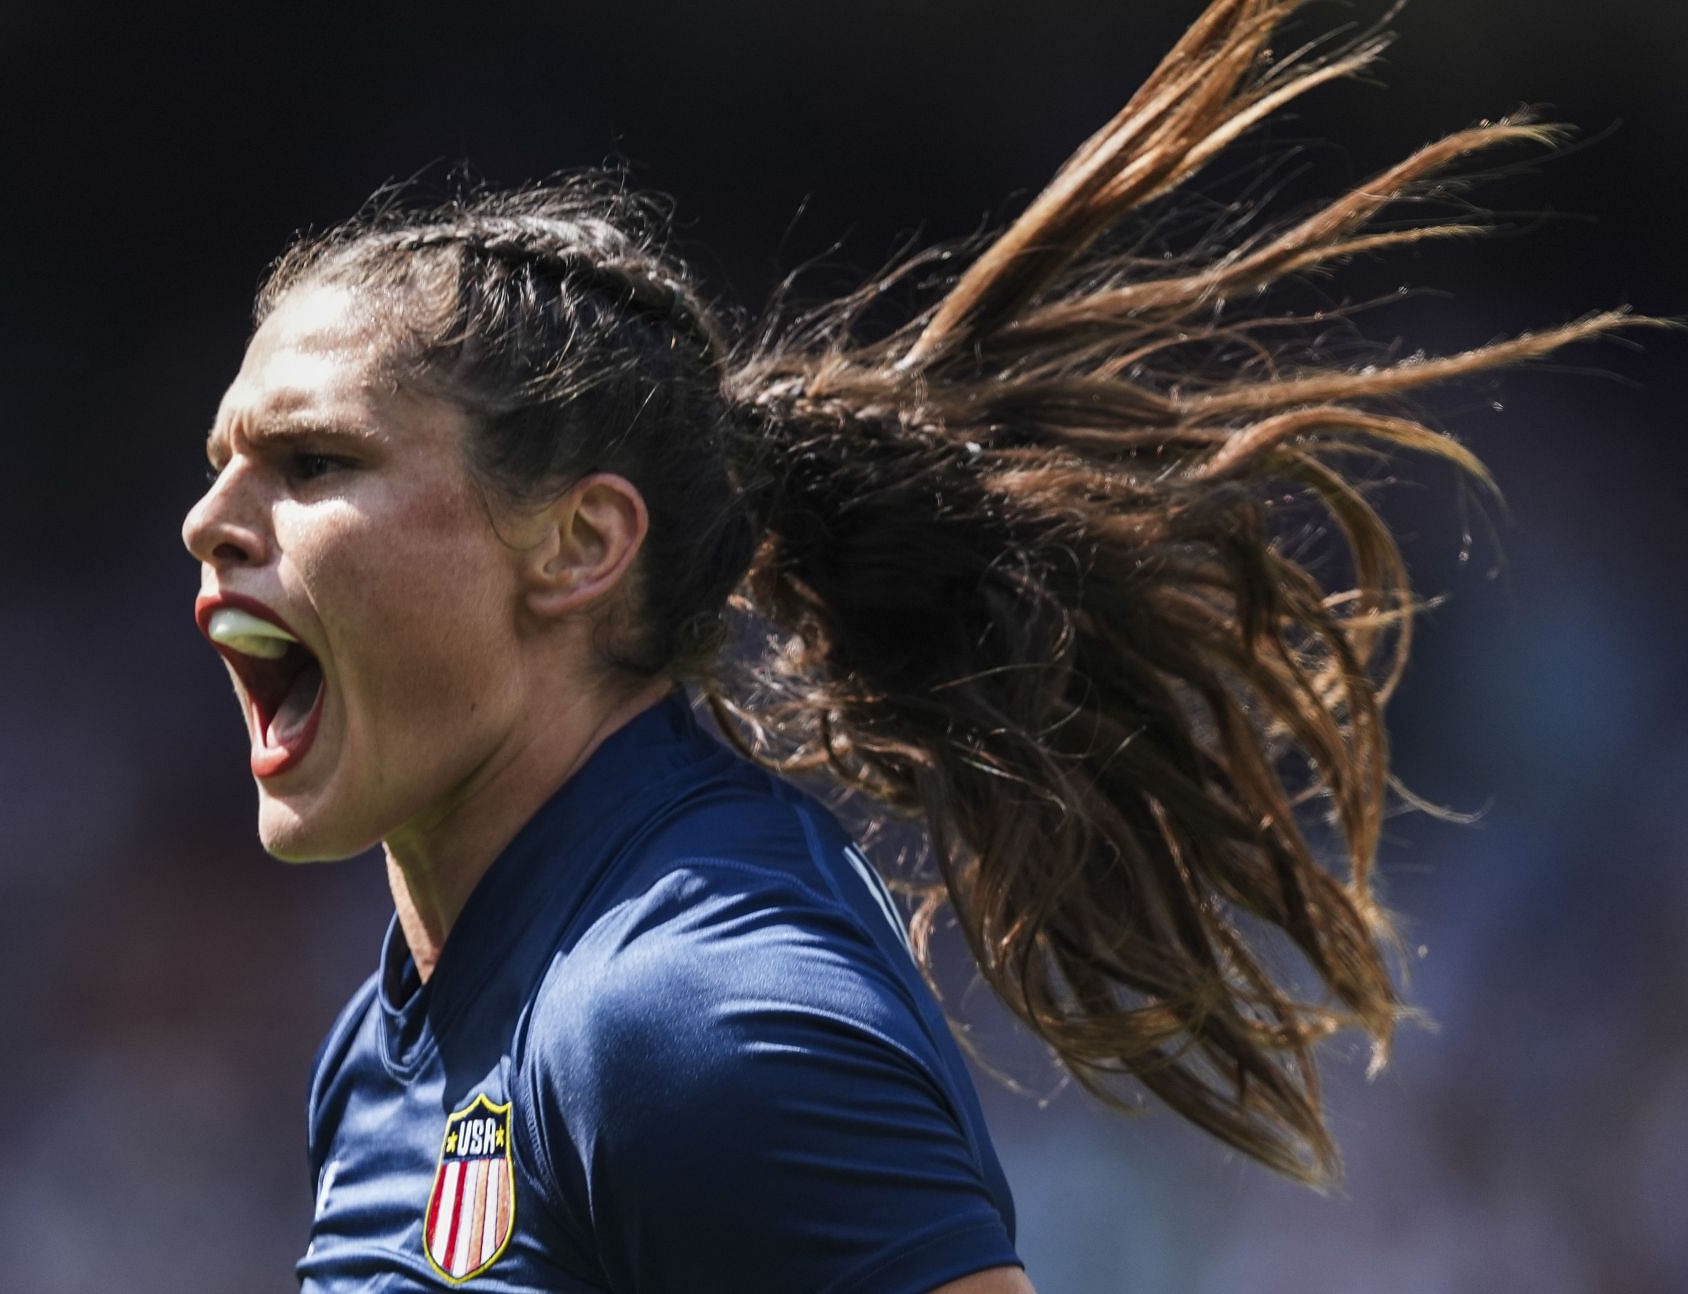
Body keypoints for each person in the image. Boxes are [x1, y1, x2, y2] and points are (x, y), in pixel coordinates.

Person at [181, 1, 1654, 1289]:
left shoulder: (689, 1025)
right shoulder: (408, 1031)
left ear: (578, 545)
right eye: (223, 460)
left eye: (311, 465)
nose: (209, 520)